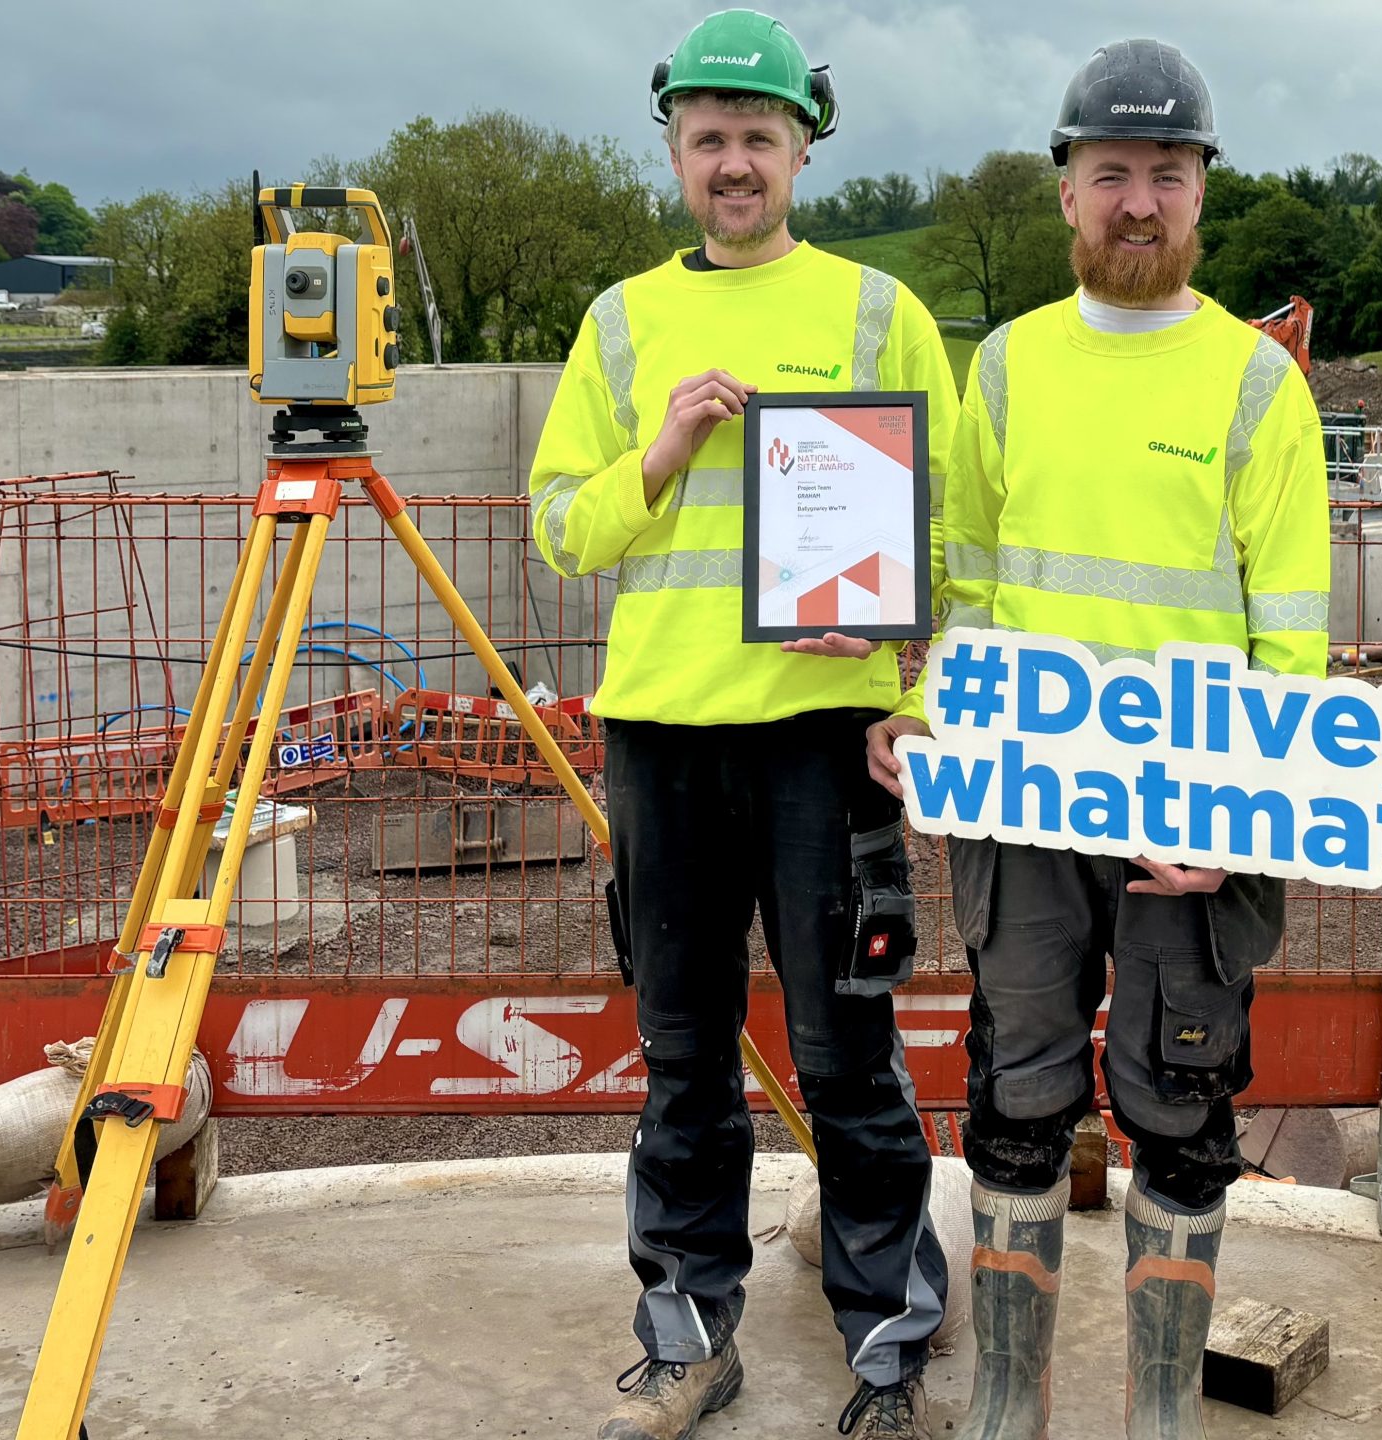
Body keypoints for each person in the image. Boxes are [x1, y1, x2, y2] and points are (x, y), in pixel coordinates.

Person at [866, 38, 1331, 1440]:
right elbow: (972, 582)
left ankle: (1160, 1415)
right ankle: (1012, 1402)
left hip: (1192, 826)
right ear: (1066, 190)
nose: (1140, 200)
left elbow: (1290, 636)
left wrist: (1242, 813)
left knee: (1181, 1098)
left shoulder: (1257, 386)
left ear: (1202, 198)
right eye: (1112, 171)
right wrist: (923, 715)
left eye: (1168, 174)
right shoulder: (1005, 369)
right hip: (1023, 810)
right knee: (1016, 1090)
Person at [527, 11, 956, 1438]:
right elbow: (559, 533)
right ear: (673, 151)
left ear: (801, 151)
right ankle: (689, 1319)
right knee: (684, 1048)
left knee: (846, 1049)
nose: (733, 162)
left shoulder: (876, 313)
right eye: (709, 138)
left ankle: (889, 1326)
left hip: (824, 742)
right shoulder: (620, 322)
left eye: (758, 137)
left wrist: (903, 682)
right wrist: (658, 452)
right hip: (660, 736)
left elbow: (947, 533)